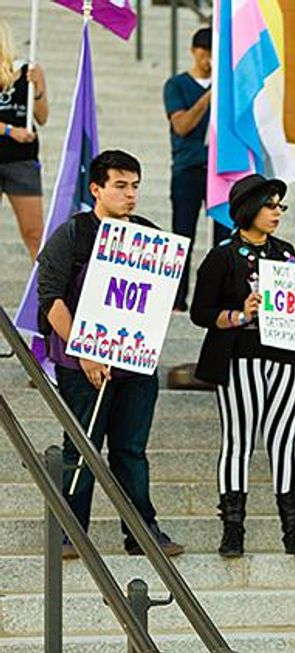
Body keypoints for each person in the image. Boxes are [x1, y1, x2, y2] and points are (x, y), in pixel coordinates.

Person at [35, 150, 184, 560]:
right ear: (96, 188)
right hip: (81, 364)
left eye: (135, 185)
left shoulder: (148, 235)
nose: (130, 194)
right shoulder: (75, 234)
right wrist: (85, 352)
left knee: (131, 449)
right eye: (120, 185)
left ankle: (142, 531)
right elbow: (51, 300)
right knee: (81, 445)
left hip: (135, 364)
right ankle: (69, 531)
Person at [190, 174, 295, 559]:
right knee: (238, 440)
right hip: (239, 355)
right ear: (248, 208)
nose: (278, 212)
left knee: (285, 440)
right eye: (270, 204)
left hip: (289, 354)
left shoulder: (287, 253)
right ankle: (233, 528)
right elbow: (201, 312)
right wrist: (238, 314)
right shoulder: (222, 256)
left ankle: (293, 529)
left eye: (280, 205)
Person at [164, 27, 229, 312]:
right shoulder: (177, 85)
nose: (207, 60)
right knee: (183, 236)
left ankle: (219, 298)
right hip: (189, 168)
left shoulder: (227, 86)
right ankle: (177, 299)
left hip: (221, 169)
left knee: (223, 239)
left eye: (212, 54)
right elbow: (182, 125)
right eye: (203, 54)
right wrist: (209, 96)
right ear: (194, 52)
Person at [0, 18, 48, 260]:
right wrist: (10, 130)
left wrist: (38, 88)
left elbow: (42, 116)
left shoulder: (25, 70)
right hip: (8, 146)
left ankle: (42, 295)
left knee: (35, 233)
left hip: (22, 160)